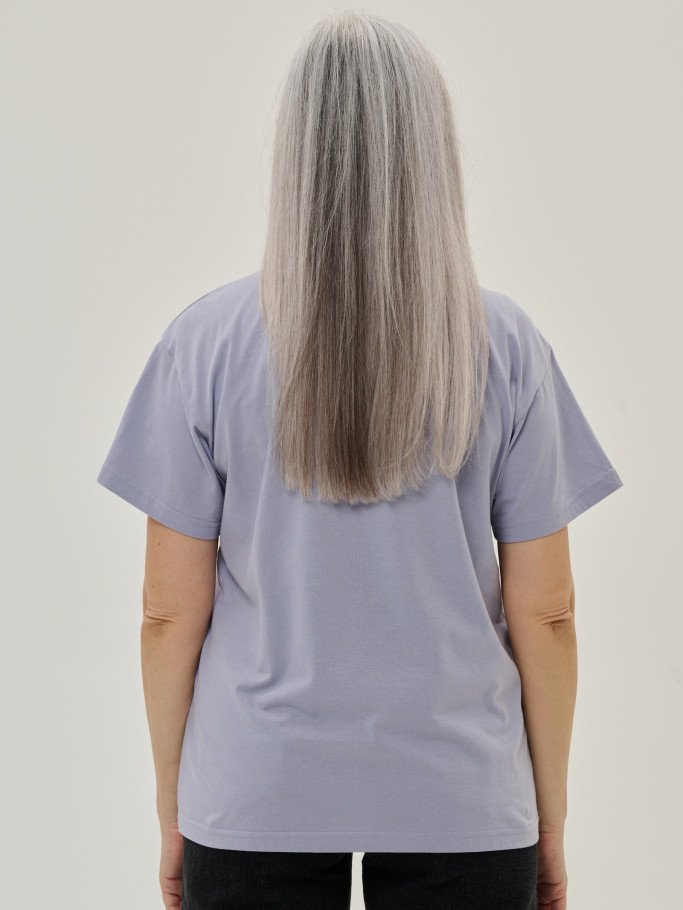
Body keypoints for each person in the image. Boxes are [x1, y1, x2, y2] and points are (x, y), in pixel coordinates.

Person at [96, 10, 624, 910]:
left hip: (254, 789)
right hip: (462, 796)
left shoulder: (204, 343)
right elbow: (547, 613)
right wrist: (550, 819)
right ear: (433, 153)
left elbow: (165, 611)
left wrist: (173, 807)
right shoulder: (505, 346)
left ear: (293, 153)